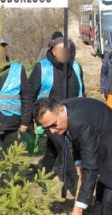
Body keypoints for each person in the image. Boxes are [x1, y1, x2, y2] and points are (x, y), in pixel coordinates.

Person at [29, 36, 85, 190]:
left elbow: (82, 90)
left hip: (71, 115)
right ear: (54, 51)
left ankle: (42, 177)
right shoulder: (42, 68)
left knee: (52, 150)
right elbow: (30, 94)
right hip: (50, 118)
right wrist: (29, 119)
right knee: (63, 147)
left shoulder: (75, 67)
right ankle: (74, 183)